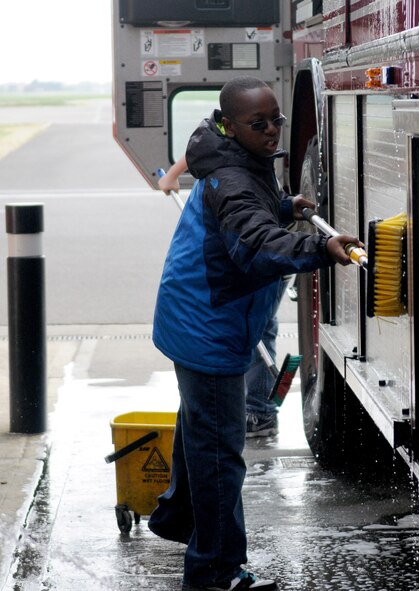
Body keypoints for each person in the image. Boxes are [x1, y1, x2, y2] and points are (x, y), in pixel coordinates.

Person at [149, 75, 360, 591]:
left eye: (276, 120)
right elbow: (255, 246)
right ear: (227, 124)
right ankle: (215, 575)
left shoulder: (235, 161)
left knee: (200, 433)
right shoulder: (236, 177)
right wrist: (318, 250)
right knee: (219, 454)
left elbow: (252, 218)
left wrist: (288, 207)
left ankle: (178, 519)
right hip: (209, 327)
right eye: (257, 123)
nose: (271, 131)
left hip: (199, 318)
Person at [159, 157, 284, 438]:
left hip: (268, 244)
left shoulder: (230, 141)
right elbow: (200, 152)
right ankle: (261, 409)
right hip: (272, 243)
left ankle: (260, 410)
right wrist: (172, 175)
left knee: (258, 328)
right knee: (262, 326)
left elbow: (199, 153)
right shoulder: (227, 141)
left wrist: (170, 176)